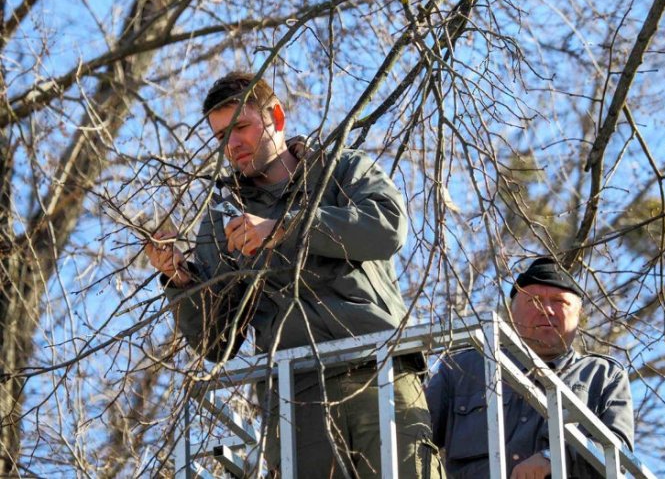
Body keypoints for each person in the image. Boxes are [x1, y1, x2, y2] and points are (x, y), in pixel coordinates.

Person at [145, 71, 440, 478]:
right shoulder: (222, 219)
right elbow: (218, 342)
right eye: (220, 138)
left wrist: (284, 228)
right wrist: (180, 279)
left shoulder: (341, 168)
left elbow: (387, 227)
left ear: (276, 117)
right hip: (294, 396)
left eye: (241, 127)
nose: (232, 145)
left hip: (379, 372)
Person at [425, 257, 634, 479]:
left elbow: (618, 456)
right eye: (533, 300)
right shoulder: (464, 368)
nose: (546, 310)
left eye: (559, 302)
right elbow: (413, 434)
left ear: (579, 315)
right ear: (512, 313)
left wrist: (554, 458)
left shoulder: (603, 376)